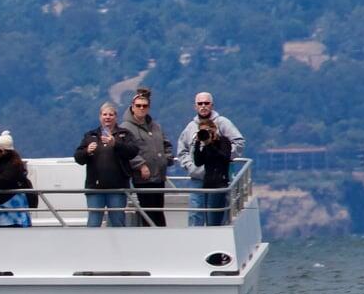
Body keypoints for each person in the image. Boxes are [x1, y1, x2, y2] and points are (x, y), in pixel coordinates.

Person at [175, 92, 245, 227]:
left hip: (216, 178)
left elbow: (239, 143)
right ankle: (195, 241)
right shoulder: (190, 127)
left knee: (215, 215)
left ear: (212, 105)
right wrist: (190, 165)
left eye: (206, 103)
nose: (203, 106)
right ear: (195, 106)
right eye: (200, 103)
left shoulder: (223, 123)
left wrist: (222, 158)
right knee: (195, 213)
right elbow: (182, 150)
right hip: (197, 178)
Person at [74, 102, 142, 227]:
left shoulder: (124, 134)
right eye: (105, 114)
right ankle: (91, 245)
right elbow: (78, 158)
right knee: (93, 223)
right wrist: (87, 151)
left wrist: (116, 144)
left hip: (118, 188)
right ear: (100, 117)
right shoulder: (91, 135)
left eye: (111, 114)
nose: (107, 117)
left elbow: (133, 151)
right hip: (95, 188)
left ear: (115, 117)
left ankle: (119, 246)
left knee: (117, 222)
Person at [116, 90, 173, 227]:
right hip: (143, 178)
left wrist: (167, 158)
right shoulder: (125, 128)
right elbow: (126, 150)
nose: (141, 108)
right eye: (138, 105)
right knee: (148, 211)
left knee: (159, 210)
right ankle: (150, 238)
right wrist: (141, 165)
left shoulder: (156, 126)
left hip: (159, 175)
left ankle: (161, 237)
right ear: (132, 106)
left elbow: (166, 143)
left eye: (144, 106)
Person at [186, 114, 235, 224]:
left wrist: (209, 144)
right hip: (207, 184)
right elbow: (198, 162)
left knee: (213, 219)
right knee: (207, 218)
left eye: (208, 130)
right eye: (202, 131)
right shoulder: (206, 146)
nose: (206, 133)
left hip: (219, 184)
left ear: (214, 129)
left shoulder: (223, 141)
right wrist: (198, 143)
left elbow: (223, 158)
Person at [0, 131, 32, 227]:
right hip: (1, 204)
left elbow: (3, 181)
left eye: (0, 151)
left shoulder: (14, 165)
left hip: (12, 204)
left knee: (12, 227)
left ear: (8, 151)